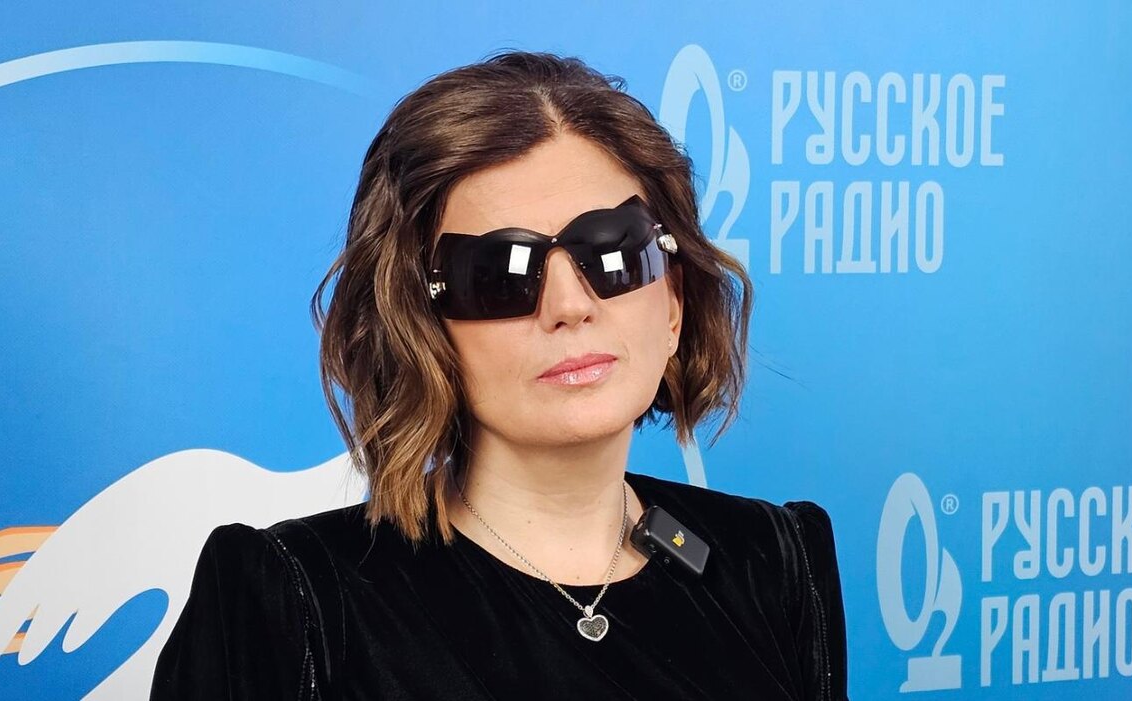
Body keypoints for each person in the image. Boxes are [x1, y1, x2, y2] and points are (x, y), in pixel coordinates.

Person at [150, 49, 848, 700]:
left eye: (613, 252)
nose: (570, 306)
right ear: (420, 329)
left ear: (673, 301)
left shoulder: (773, 562)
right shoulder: (294, 602)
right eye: (500, 274)